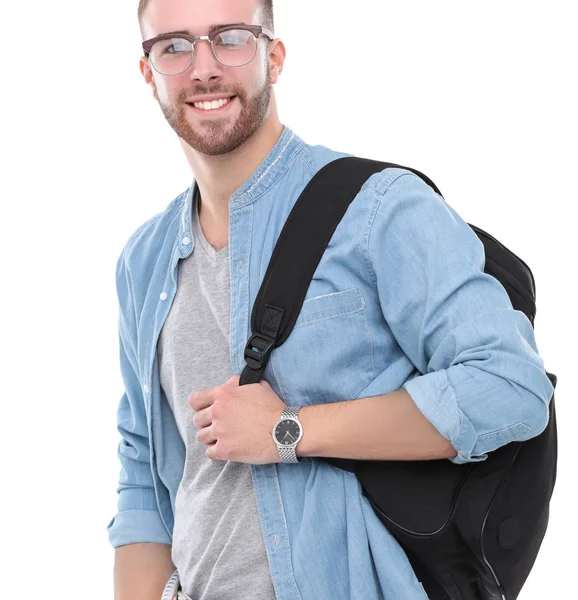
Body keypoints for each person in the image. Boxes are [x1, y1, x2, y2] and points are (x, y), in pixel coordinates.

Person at [108, 1, 555, 599]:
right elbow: (143, 472)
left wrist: (289, 430)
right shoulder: (145, 261)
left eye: (231, 38)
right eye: (175, 47)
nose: (204, 68)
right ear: (148, 73)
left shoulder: (378, 209)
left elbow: (511, 386)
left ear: (274, 55)